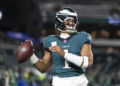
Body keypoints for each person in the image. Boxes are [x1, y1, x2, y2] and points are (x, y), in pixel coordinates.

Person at [29, 8, 93, 86]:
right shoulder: (50, 40)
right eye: (68, 20)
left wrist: (64, 54)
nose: (72, 23)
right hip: (59, 83)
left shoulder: (82, 37)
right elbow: (43, 68)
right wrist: (31, 56)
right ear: (59, 21)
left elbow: (88, 62)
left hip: (78, 82)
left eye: (73, 21)